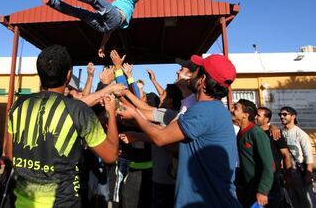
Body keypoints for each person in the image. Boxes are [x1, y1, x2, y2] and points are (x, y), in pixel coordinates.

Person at [118, 54, 241, 207]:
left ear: (202, 80)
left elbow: (161, 137)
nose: (191, 74)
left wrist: (136, 116)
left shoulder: (204, 110)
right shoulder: (212, 109)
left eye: (196, 71)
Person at [7, 45, 119, 207]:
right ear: (68, 75)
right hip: (63, 202)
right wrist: (112, 115)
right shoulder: (79, 110)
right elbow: (111, 155)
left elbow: (11, 154)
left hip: (21, 201)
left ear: (40, 73)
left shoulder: (19, 106)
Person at [232, 99, 274, 207]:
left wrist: (263, 191)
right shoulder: (240, 133)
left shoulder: (256, 134)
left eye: (236, 108)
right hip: (246, 188)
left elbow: (269, 165)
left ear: (245, 115)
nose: (232, 110)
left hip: (258, 190)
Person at [254, 106, 292, 208]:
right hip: (256, 176)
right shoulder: (252, 132)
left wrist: (288, 176)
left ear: (266, 119)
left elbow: (286, 154)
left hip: (273, 177)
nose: (255, 117)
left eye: (258, 115)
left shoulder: (275, 133)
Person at [279, 106, 316, 208]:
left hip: (300, 172)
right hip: (287, 173)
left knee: (307, 201)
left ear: (293, 116)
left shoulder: (300, 134)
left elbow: (308, 155)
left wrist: (308, 174)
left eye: (285, 114)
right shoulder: (280, 133)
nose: (282, 117)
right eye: (280, 115)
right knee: (293, 201)